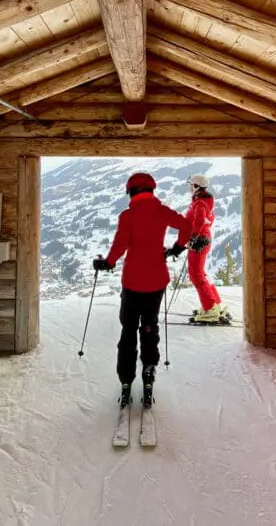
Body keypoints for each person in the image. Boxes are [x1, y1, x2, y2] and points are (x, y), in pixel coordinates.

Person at [93, 172, 193, 409]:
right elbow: (186, 225)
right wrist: (177, 248)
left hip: (132, 282)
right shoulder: (162, 211)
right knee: (149, 326)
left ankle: (126, 380)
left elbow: (120, 244)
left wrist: (107, 263)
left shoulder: (128, 216)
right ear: (151, 190)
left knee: (128, 330)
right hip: (157, 281)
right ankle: (149, 372)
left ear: (131, 192)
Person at [185, 174, 227, 323]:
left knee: (196, 275)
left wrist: (193, 237)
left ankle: (210, 308)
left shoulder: (200, 204)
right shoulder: (204, 201)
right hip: (204, 239)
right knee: (200, 273)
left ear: (196, 187)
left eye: (191, 185)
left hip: (199, 241)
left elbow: (199, 221)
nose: (189, 187)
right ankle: (215, 304)